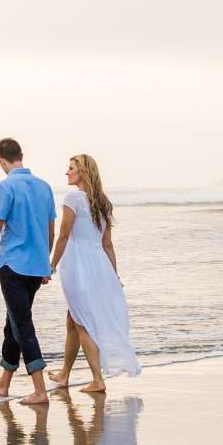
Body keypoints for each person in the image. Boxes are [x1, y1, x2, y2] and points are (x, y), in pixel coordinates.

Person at [0, 136, 57, 405]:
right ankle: (3, 383)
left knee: (22, 325)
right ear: (22, 155)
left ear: (0, 160)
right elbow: (50, 230)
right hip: (36, 266)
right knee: (14, 323)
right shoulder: (44, 187)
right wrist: (46, 263)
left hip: (13, 265)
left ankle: (40, 391)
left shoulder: (6, 187)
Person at [46, 152, 140, 394]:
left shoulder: (73, 198)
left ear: (83, 173)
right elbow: (107, 244)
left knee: (82, 322)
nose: (67, 172)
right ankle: (65, 374)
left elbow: (64, 235)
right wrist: (113, 276)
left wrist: (51, 266)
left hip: (77, 266)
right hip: (99, 265)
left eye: (71, 169)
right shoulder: (103, 202)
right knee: (73, 319)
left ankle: (98, 380)